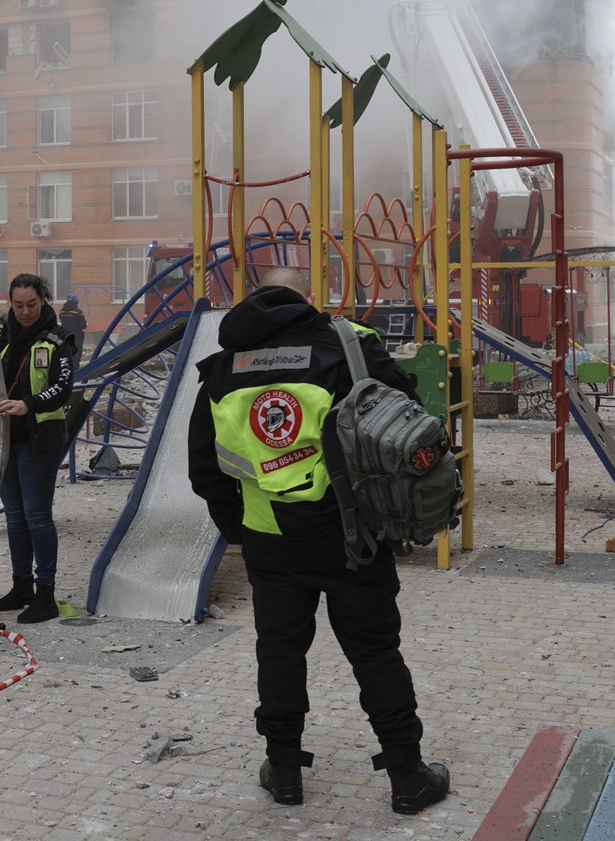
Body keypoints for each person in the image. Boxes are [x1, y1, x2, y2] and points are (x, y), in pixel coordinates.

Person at [186, 265, 449, 814]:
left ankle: (284, 772)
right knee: (376, 652)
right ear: (305, 302)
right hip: (355, 537)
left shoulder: (219, 373)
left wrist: (239, 530)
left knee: (279, 652)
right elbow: (410, 418)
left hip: (270, 539)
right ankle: (406, 774)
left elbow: (204, 471)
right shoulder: (350, 345)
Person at [0, 272, 74, 624]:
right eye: (18, 305)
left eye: (32, 305)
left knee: (38, 517)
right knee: (14, 517)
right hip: (5, 438)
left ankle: (46, 595)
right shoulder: (2, 330)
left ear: (44, 300)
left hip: (41, 438)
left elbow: (64, 386)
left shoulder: (58, 339)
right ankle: (21, 586)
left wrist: (30, 404)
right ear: (11, 302)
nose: (25, 312)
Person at [59, 294, 88, 367]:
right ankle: (75, 376)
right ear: (76, 302)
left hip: (66, 338)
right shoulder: (78, 312)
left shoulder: (62, 312)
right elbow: (83, 325)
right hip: (76, 338)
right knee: (75, 359)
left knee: (67, 358)